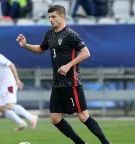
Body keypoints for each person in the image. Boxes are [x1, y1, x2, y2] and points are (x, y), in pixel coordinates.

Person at [16, 4, 111, 144]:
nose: (50, 20)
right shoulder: (49, 34)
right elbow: (42, 49)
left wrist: (68, 65)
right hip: (57, 83)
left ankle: (105, 142)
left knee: (83, 116)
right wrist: (26, 45)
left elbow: (86, 53)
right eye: (49, 17)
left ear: (62, 16)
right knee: (55, 118)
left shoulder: (70, 34)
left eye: (53, 17)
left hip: (71, 82)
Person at [0, 43, 38, 131]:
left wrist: (17, 80)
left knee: (10, 105)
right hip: (2, 86)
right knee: (1, 108)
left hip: (9, 84)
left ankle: (32, 117)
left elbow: (11, 65)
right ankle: (21, 123)